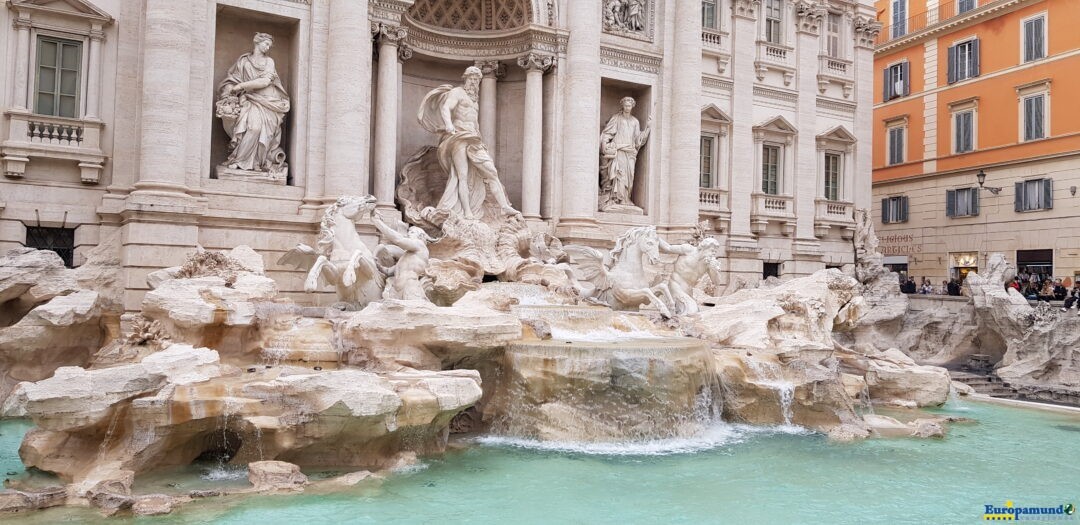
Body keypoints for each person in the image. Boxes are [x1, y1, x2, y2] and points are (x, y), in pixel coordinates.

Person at [417, 66, 518, 220]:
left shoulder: (474, 101)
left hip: (473, 138)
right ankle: (467, 212)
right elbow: (445, 107)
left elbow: (475, 123)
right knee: (461, 176)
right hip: (458, 136)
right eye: (471, 78)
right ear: (465, 78)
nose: (474, 82)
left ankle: (504, 206)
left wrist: (481, 140)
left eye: (477, 80)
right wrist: (449, 124)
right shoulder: (457, 92)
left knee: (492, 172)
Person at [217, 33, 291, 174]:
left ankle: (257, 163)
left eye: (270, 45)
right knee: (253, 128)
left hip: (269, 103)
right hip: (250, 99)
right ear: (257, 42)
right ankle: (239, 160)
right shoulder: (244, 61)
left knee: (259, 131)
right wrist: (228, 89)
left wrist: (241, 86)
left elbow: (265, 81)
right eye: (266, 44)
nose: (268, 47)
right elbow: (233, 79)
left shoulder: (269, 61)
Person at [599, 97, 651, 211]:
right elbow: (607, 134)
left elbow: (638, 140)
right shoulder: (616, 118)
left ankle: (626, 199)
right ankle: (617, 199)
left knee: (629, 177)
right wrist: (605, 147)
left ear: (632, 106)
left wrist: (647, 127)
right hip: (619, 151)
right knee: (619, 176)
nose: (627, 108)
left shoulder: (635, 121)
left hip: (630, 152)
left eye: (629, 106)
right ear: (622, 106)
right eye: (626, 105)